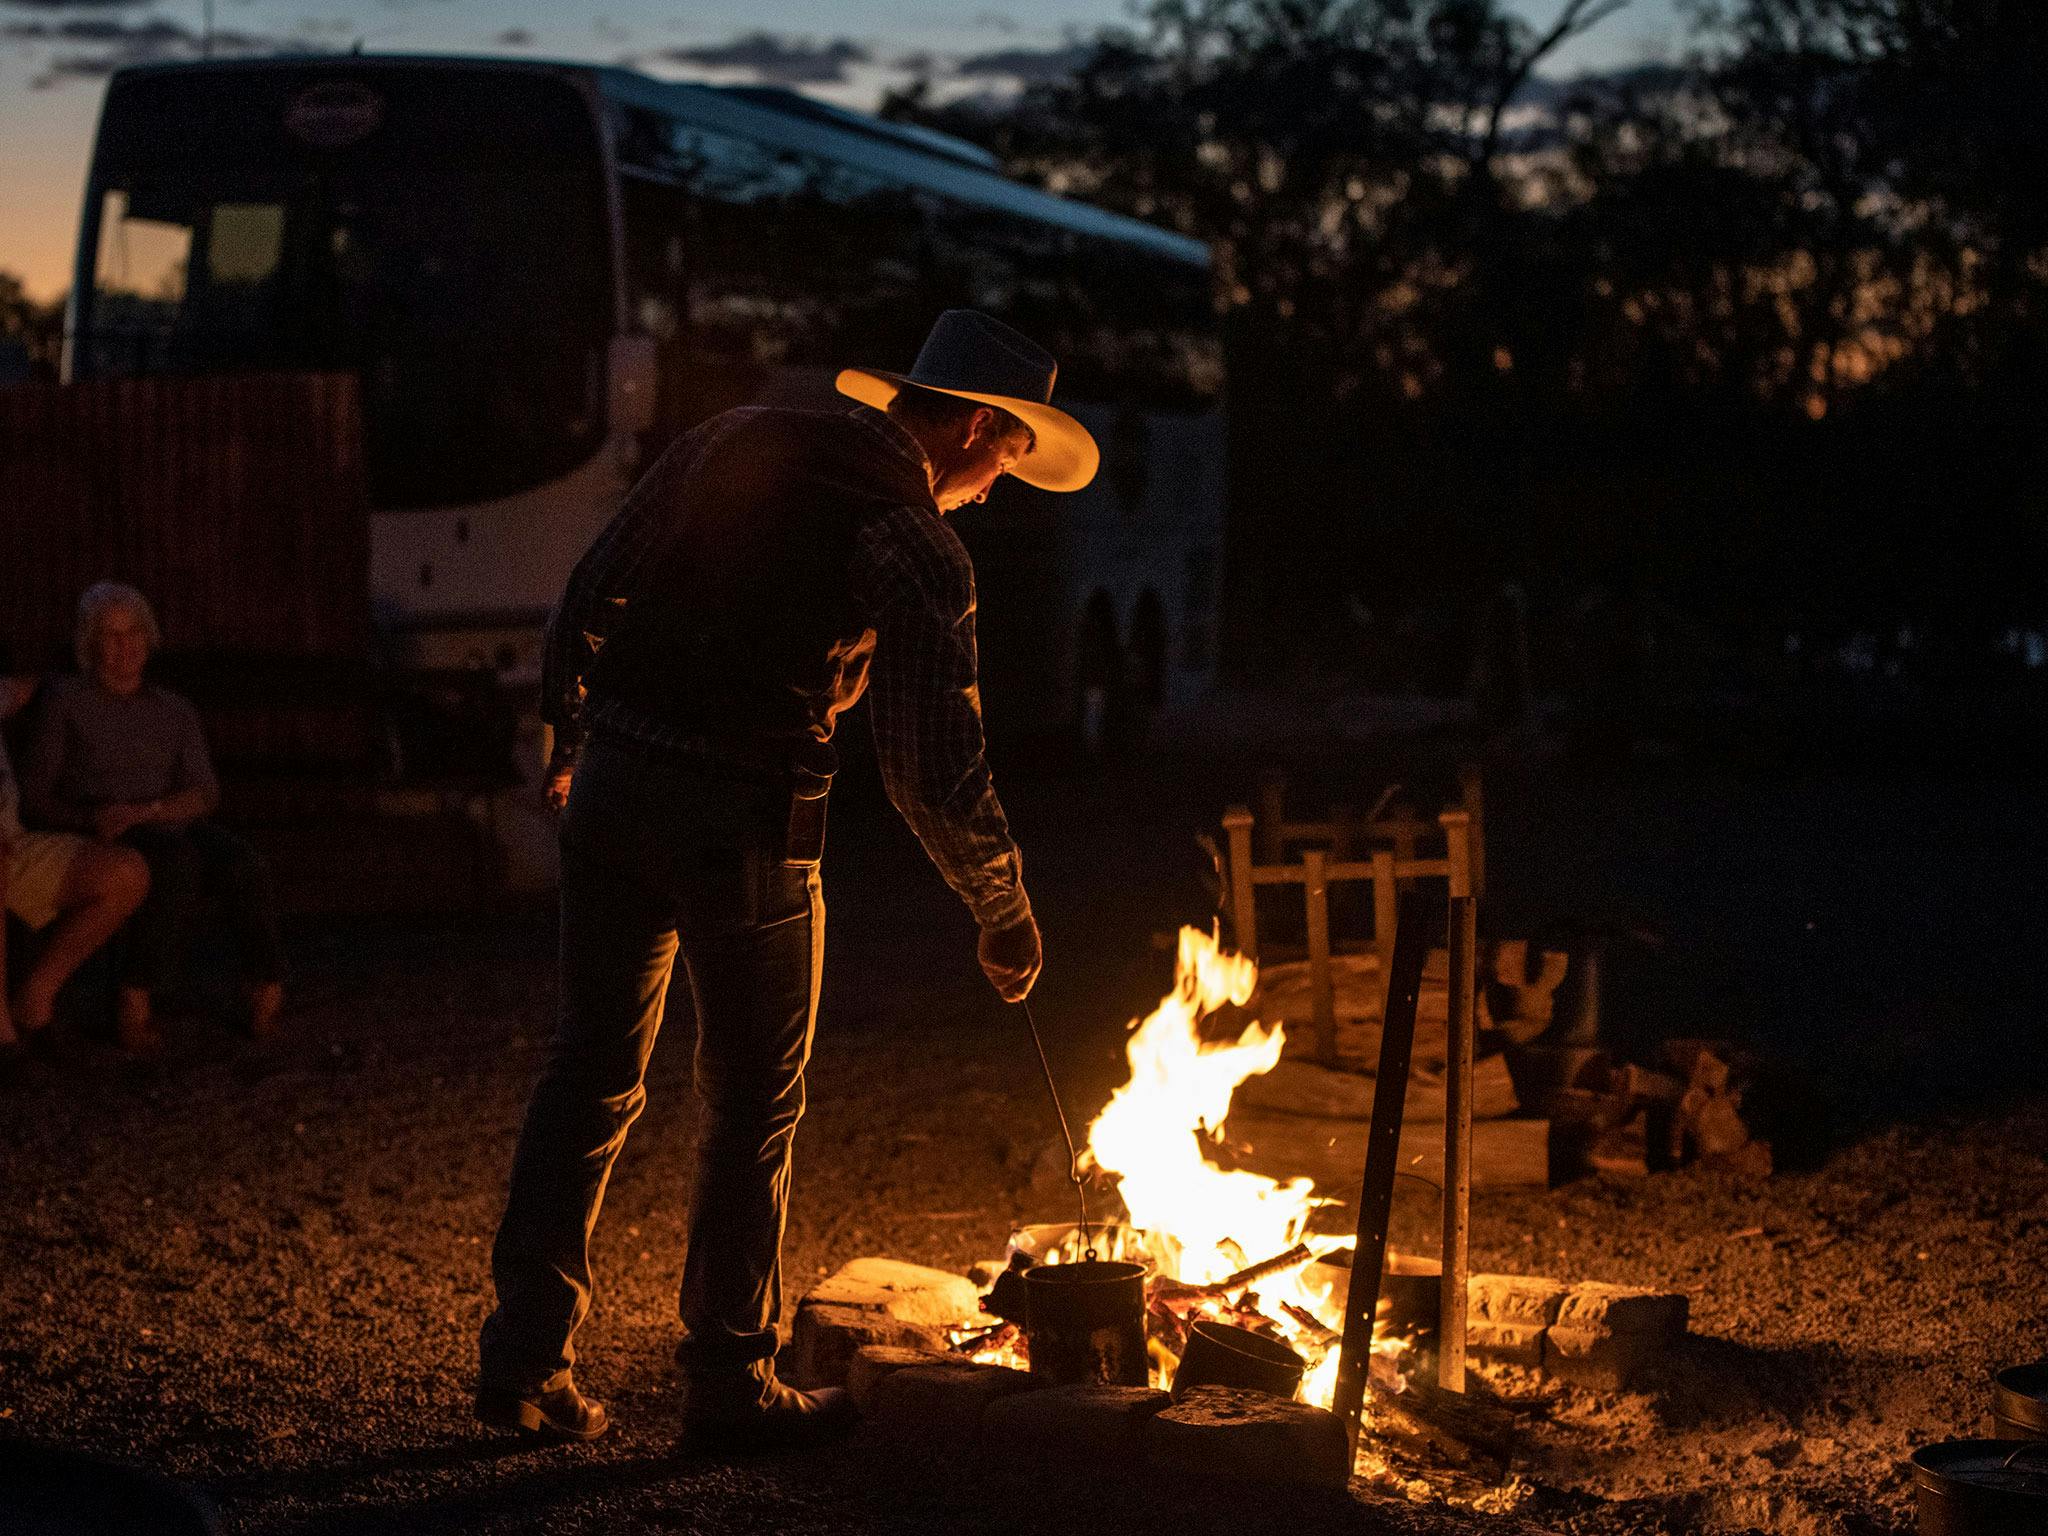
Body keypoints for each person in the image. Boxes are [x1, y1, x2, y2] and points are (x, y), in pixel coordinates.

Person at [476, 311, 1099, 1448]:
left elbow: (591, 587)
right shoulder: (915, 544)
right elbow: (931, 764)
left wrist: (568, 735)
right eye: (1006, 458)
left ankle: (522, 1359)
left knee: (589, 1068)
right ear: (972, 425)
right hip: (747, 819)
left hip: (614, 785)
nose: (996, 488)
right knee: (751, 1104)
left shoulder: (736, 441)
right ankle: (726, 1382)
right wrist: (1002, 909)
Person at [20, 583, 286, 1050]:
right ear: (90, 644)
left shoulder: (171, 709)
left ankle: (264, 986)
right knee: (173, 863)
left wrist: (154, 809)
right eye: (112, 635)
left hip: (162, 817)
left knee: (244, 863)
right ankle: (135, 996)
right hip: (109, 825)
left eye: (135, 633)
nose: (126, 647)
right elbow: (37, 794)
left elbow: (204, 792)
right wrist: (90, 818)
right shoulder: (66, 703)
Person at [2, 673, 152, 1054]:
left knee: (125, 873)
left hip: (14, 841)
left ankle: (35, 998)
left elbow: (21, 688)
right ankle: (2, 1032)